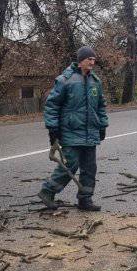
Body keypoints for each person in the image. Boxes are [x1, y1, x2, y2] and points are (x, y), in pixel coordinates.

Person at [38, 46, 109, 211]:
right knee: (71, 165)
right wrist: (52, 128)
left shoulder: (95, 82)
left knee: (90, 168)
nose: (92, 62)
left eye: (93, 59)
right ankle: (47, 191)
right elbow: (52, 105)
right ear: (80, 60)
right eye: (88, 59)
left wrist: (102, 125)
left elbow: (101, 106)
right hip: (70, 131)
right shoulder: (65, 80)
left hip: (90, 132)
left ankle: (85, 200)